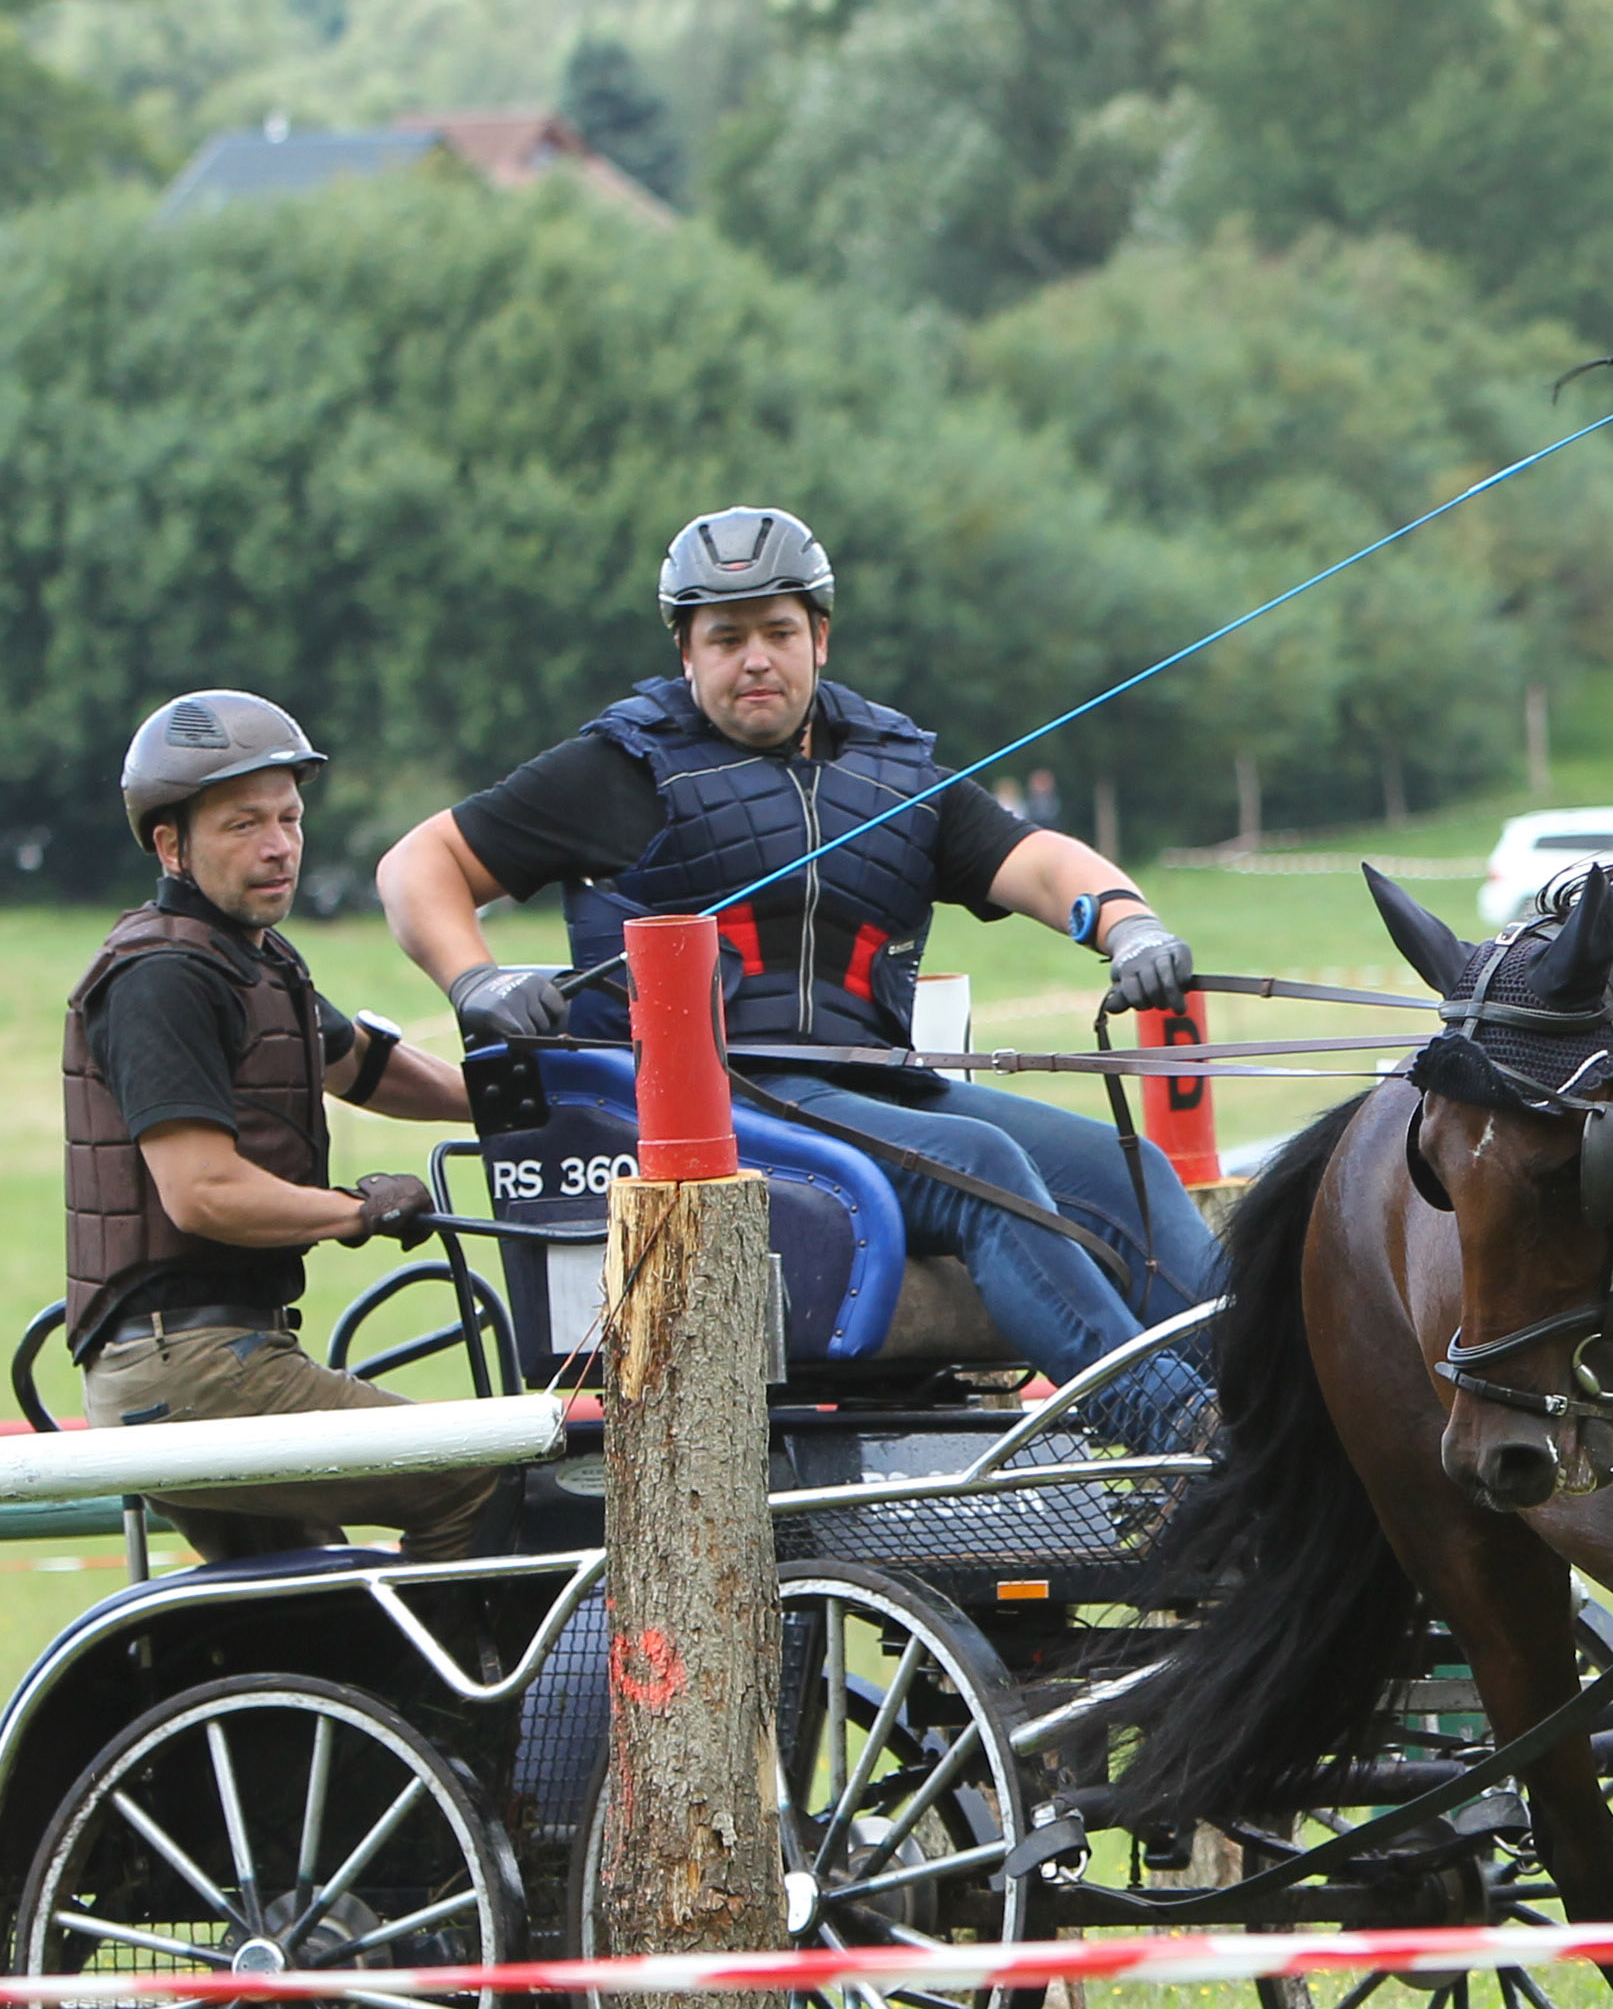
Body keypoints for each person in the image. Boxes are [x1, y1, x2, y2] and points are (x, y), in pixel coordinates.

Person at [374, 506, 1222, 1449]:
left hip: (874, 1087)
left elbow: (1039, 861)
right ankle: (1183, 1433)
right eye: (725, 638)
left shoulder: (892, 769)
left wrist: (1129, 924)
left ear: (819, 635)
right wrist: (476, 983)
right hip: (718, 1108)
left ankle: (1268, 1402)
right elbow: (419, 865)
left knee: (1127, 1172)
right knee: (981, 1172)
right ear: (685, 652)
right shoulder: (620, 770)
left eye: (778, 632)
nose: (755, 660)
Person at [68, 693, 502, 1562]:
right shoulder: (163, 977)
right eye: (243, 824)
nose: (279, 845)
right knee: (481, 1480)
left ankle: (349, 1702)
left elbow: (362, 1066)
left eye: (289, 818)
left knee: (306, 1608)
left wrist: (514, 1104)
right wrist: (358, 1211)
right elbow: (202, 1194)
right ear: (171, 845)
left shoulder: (253, 959)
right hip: (190, 1370)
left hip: (218, 1353)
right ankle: (468, 1704)